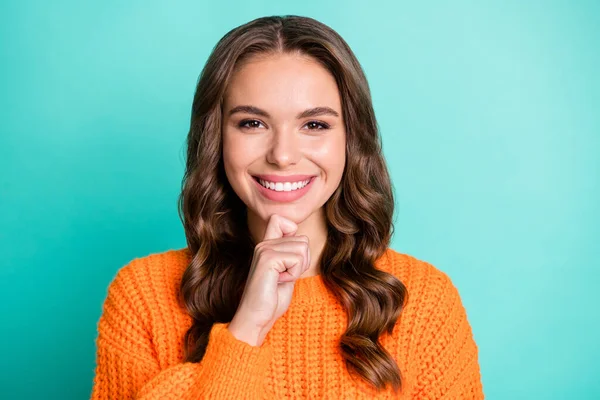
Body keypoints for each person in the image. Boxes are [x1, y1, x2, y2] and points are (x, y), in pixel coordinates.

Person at [90, 15, 484, 399]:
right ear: (216, 137)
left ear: (351, 139)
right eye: (252, 123)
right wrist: (246, 329)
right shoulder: (143, 296)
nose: (282, 155)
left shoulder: (424, 300)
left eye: (314, 125)